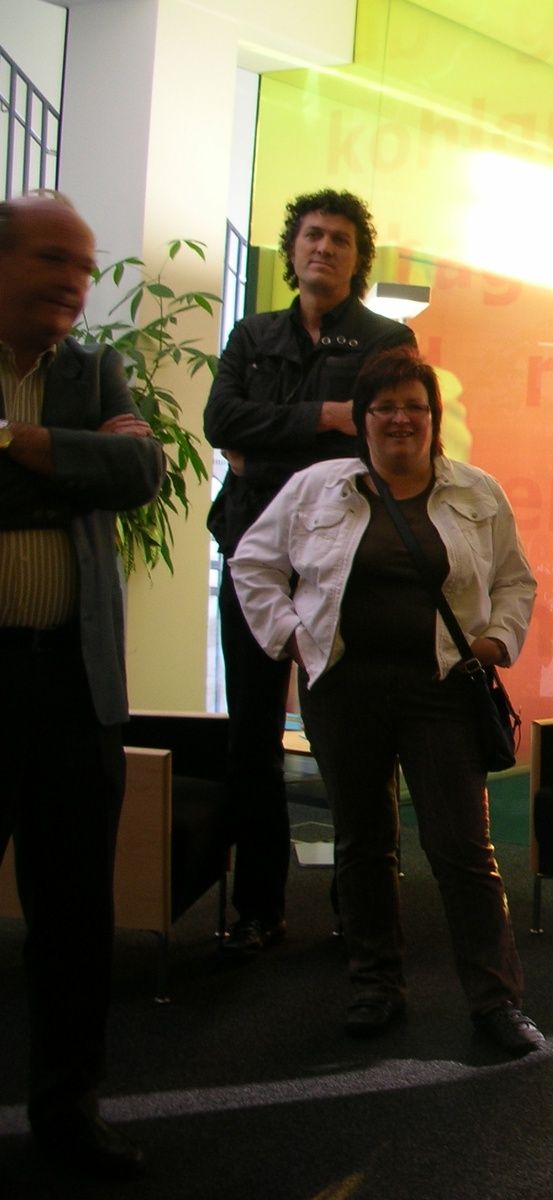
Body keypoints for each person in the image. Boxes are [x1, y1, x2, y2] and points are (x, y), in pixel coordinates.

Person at [229, 348, 542, 1055]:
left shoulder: (476, 492)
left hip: (442, 690)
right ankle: (376, 985)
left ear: (434, 418)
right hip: (344, 690)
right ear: (362, 420)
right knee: (363, 841)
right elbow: (253, 562)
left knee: (462, 847)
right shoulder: (317, 488)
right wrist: (291, 637)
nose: (401, 419)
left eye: (415, 407)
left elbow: (516, 581)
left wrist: (496, 641)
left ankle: (496, 1000)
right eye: (386, 407)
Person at [203, 189, 416, 958]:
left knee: (355, 744)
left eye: (340, 240)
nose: (323, 247)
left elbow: (385, 441)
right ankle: (259, 909)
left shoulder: (388, 340)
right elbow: (220, 423)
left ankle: (356, 910)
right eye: (313, 236)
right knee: (251, 739)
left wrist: (262, 450)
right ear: (292, 250)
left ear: (358, 260)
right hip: (253, 558)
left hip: (342, 562)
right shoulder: (253, 334)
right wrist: (324, 416)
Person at [0, 192, 162, 1178]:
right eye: (54, 259)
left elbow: (140, 474)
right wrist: (76, 466)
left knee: (73, 923)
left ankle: (69, 1115)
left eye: (86, 268)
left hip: (73, 685)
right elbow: (104, 468)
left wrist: (14, 442)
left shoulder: (94, 368)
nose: (75, 283)